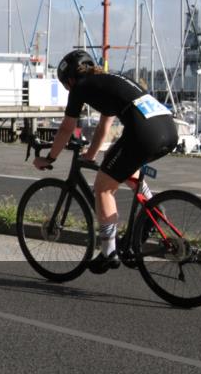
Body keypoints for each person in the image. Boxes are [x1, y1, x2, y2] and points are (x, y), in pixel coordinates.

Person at [32, 49, 177, 273]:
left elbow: (66, 129)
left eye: (65, 85)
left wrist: (49, 157)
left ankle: (109, 251)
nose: (68, 89)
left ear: (70, 79)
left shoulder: (80, 87)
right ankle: (152, 209)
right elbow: (103, 127)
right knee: (115, 161)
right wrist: (91, 155)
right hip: (167, 127)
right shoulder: (108, 80)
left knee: (102, 187)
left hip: (144, 132)